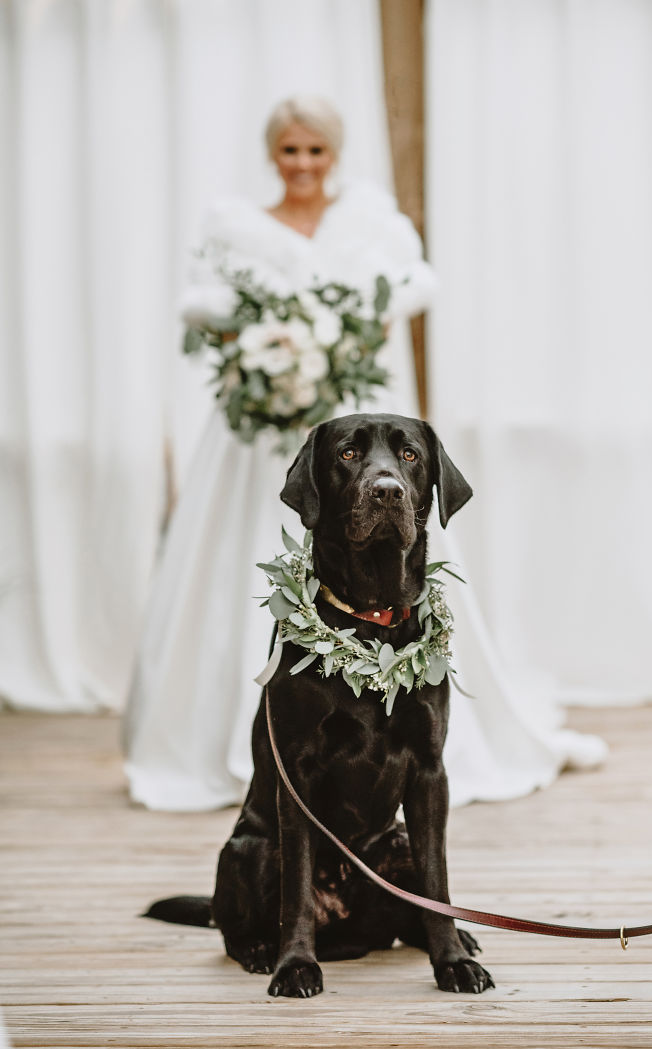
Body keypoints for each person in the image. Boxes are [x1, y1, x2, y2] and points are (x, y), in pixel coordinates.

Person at [123, 96, 605, 812]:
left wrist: (336, 344)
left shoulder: (369, 222)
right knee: (235, 559)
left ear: (334, 153)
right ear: (273, 154)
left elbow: (412, 290)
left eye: (316, 150)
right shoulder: (238, 230)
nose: (304, 164)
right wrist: (267, 350)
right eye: (290, 150)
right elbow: (203, 307)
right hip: (264, 429)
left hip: (355, 415)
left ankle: (399, 732)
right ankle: (240, 737)